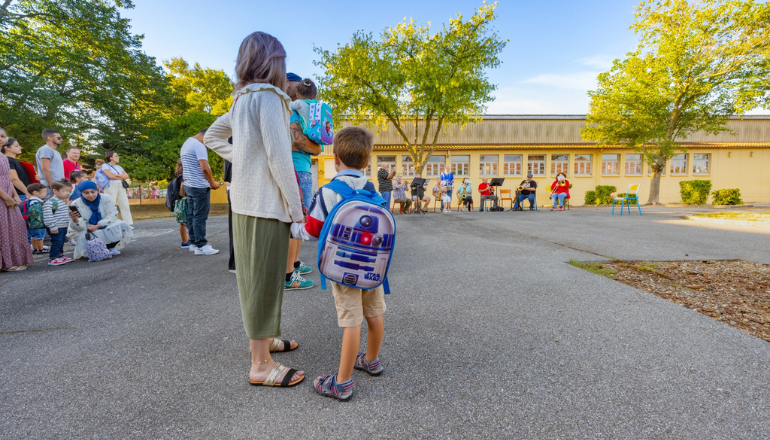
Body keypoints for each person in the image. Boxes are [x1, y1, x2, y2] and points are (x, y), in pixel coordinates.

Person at [204, 31, 305, 388]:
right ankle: (260, 364)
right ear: (275, 62)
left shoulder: (242, 99)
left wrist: (244, 160)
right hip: (266, 205)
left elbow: (213, 137)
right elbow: (280, 160)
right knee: (263, 281)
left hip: (245, 203)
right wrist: (297, 212)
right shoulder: (270, 98)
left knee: (257, 279)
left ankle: (266, 340)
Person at [290, 127, 386, 401]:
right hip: (372, 269)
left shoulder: (328, 192)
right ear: (367, 163)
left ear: (335, 160)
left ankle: (342, 382)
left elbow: (313, 230)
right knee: (374, 314)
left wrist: (292, 230)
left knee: (351, 321)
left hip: (343, 271)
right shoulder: (372, 190)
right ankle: (371, 360)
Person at [285, 73, 319, 290]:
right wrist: (313, 146)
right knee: (297, 221)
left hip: (301, 167)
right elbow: (299, 142)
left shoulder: (295, 109)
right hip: (297, 169)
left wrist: (311, 147)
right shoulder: (289, 111)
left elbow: (311, 147)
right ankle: (288, 276)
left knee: (299, 218)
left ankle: (294, 264)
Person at [68, 180, 133, 259]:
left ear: (97, 190)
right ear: (81, 192)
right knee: (84, 234)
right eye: (86, 193)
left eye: (93, 192)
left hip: (104, 222)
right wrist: (75, 220)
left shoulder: (106, 198)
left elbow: (112, 215)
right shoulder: (76, 204)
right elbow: (79, 227)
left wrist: (98, 225)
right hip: (87, 226)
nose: (90, 195)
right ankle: (94, 249)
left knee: (122, 225)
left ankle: (110, 247)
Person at [180, 130, 220, 255]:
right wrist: (212, 183)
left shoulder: (187, 143)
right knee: (200, 216)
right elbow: (205, 168)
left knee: (191, 215)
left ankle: (193, 243)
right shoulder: (199, 145)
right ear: (207, 135)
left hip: (189, 185)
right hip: (199, 186)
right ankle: (201, 246)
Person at [0, 152, 34, 271]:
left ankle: (10, 261)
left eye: (3, 136)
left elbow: (8, 179)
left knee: (14, 227)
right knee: (2, 228)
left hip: (8, 192)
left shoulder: (3, 156)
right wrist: (6, 197)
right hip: (2, 195)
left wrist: (15, 195)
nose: (0, 139)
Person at [43, 180, 74, 266]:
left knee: (61, 241)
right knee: (57, 242)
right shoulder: (50, 202)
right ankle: (53, 258)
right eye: (65, 191)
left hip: (62, 226)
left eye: (69, 192)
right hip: (56, 227)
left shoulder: (61, 201)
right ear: (55, 190)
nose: (68, 194)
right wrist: (52, 226)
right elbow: (48, 216)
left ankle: (60, 255)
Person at [101, 151, 134, 228]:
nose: (118, 157)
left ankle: (127, 224)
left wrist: (116, 175)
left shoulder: (119, 167)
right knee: (111, 204)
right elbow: (110, 176)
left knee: (125, 204)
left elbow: (126, 176)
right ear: (110, 157)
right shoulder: (105, 166)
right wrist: (120, 176)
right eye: (116, 156)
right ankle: (111, 223)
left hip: (120, 185)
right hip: (110, 185)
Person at [36, 129, 65, 198]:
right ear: (49, 138)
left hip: (58, 186)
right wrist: (52, 186)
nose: (61, 140)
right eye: (59, 138)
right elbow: (45, 168)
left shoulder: (55, 152)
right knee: (51, 208)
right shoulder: (45, 149)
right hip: (50, 187)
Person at [2, 138, 32, 204]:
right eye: (16, 146)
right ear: (7, 148)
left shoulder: (14, 161)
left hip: (22, 194)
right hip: (20, 195)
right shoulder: (8, 160)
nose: (20, 147)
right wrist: (28, 193)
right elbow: (13, 179)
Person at [26, 183, 49, 254]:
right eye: (44, 192)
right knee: (39, 236)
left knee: (33, 236)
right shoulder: (36, 202)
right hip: (38, 222)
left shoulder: (29, 201)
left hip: (31, 222)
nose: (46, 193)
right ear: (35, 192)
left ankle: (35, 248)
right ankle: (41, 249)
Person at [174, 159, 190, 249]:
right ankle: (189, 240)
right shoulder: (185, 177)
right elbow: (182, 191)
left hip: (179, 202)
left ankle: (184, 241)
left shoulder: (177, 176)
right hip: (186, 200)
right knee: (189, 221)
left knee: (182, 222)